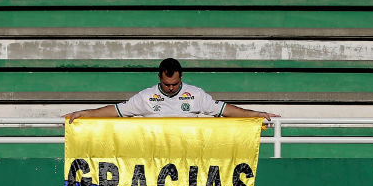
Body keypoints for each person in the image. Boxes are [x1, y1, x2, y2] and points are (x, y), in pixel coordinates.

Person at [64, 58, 278, 122]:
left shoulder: (195, 94)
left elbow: (224, 110)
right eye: (166, 84)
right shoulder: (147, 96)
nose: (171, 88)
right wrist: (85, 113)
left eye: (174, 83)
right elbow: (116, 111)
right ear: (159, 78)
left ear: (181, 77)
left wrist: (256, 114)